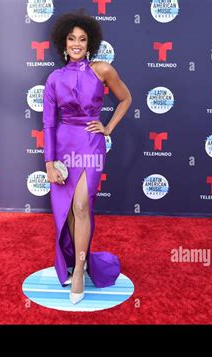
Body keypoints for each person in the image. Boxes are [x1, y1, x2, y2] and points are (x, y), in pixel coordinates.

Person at [43, 10, 132, 304]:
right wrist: (48, 163)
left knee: (81, 205)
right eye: (71, 39)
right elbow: (48, 123)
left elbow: (126, 98)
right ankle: (76, 258)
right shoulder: (54, 78)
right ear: (63, 43)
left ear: (90, 42)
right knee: (69, 210)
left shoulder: (102, 69)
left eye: (82, 39)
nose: (77, 44)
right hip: (63, 146)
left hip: (91, 144)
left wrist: (107, 127)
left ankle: (79, 270)